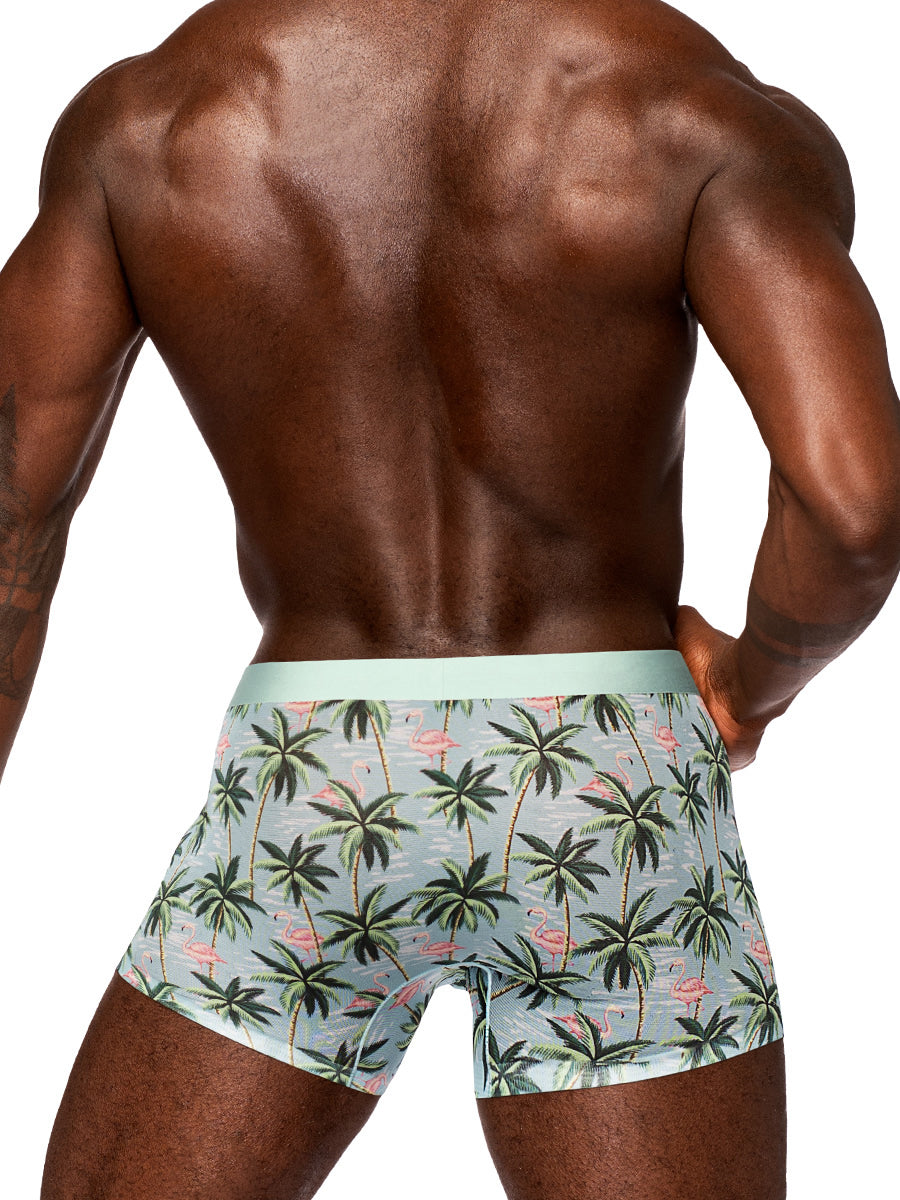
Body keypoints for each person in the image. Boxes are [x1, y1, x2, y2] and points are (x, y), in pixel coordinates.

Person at [2, 0, 898, 1196]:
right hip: (608, 780)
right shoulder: (690, 107)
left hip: (316, 777)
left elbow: (12, 524)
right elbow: (854, 511)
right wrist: (747, 688)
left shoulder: (151, 120)